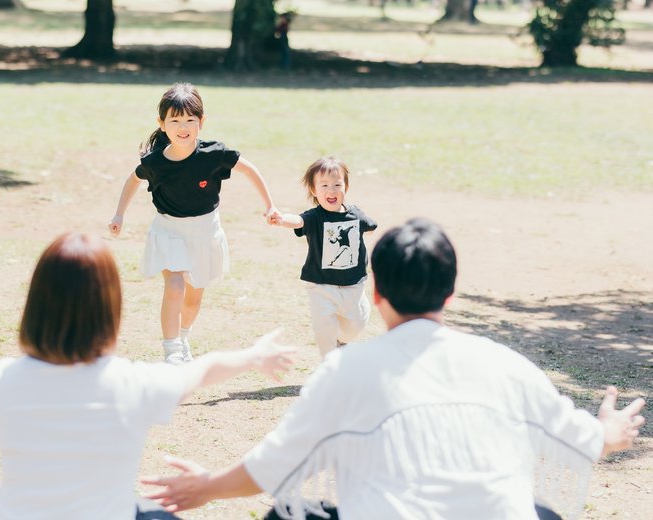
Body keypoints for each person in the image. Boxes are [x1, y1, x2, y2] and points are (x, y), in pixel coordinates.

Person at [141, 218, 646, 520]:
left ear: (376, 293)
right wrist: (611, 428)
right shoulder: (502, 363)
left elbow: (276, 463)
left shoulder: (348, 368)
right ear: (449, 293)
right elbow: (583, 438)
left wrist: (205, 487)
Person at [0, 232, 295, 520]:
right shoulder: (133, 383)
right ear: (110, 310)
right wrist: (253, 356)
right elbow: (204, 368)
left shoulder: (3, 381)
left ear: (36, 306)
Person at [109, 82, 280, 365]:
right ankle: (171, 350)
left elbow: (249, 169)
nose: (183, 126)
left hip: (205, 231)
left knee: (193, 297)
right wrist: (119, 214)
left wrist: (269, 205)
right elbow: (133, 179)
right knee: (174, 286)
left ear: (202, 121)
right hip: (168, 230)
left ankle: (184, 336)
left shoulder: (214, 154)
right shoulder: (155, 162)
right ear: (162, 124)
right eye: (174, 120)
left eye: (190, 119)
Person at [271, 156, 377, 357]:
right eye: (325, 185)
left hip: (352, 282)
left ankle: (342, 340)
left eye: (337, 184)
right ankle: (329, 364)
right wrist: (281, 219)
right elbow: (298, 221)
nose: (332, 190)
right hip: (320, 284)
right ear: (314, 190)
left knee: (356, 325)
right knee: (323, 326)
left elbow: (370, 226)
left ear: (346, 187)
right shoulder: (315, 217)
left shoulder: (355, 214)